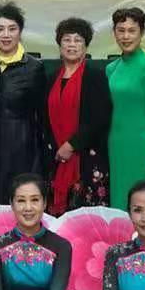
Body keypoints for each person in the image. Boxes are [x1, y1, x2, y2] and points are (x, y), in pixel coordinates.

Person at [0, 1, 47, 208]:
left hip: (22, 148)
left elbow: (42, 116)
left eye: (12, 29)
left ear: (20, 32)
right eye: (0, 29)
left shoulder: (34, 68)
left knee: (21, 203)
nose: (6, 35)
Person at [42, 17, 112, 213]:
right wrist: (58, 146)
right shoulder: (51, 78)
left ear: (85, 45)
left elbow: (99, 118)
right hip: (58, 157)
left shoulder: (96, 76)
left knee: (87, 217)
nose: (72, 45)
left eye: (77, 40)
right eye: (67, 39)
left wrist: (71, 145)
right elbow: (45, 118)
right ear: (60, 44)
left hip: (87, 158)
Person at [105, 7, 145, 209]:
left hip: (141, 147)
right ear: (114, 32)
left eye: (132, 31)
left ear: (142, 33)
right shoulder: (111, 68)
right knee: (118, 201)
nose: (126, 36)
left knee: (141, 203)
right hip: (116, 145)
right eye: (121, 30)